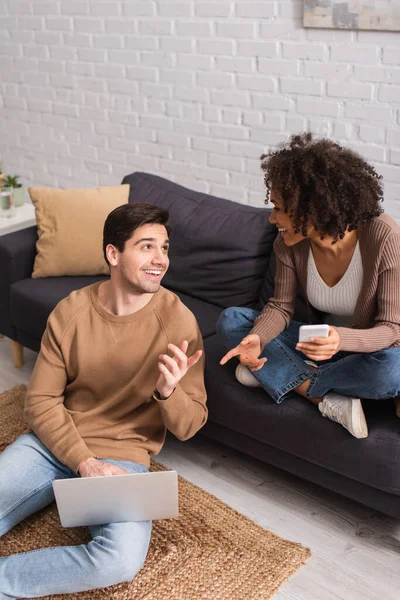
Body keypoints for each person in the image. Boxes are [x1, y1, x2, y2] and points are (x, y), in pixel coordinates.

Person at [0, 202, 207, 599]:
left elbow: (190, 423)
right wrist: (84, 461)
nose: (160, 259)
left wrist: (169, 392)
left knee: (119, 561)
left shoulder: (179, 321)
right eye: (147, 247)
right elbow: (40, 401)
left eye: (164, 248)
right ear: (114, 254)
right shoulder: (71, 311)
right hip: (50, 445)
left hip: (123, 458)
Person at [218, 132, 400, 439]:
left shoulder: (383, 237)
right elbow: (279, 307)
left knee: (393, 370)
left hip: (364, 350)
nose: (271, 218)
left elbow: (393, 329)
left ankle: (277, 374)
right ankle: (320, 396)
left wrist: (340, 339)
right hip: (313, 347)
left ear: (312, 208)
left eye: (278, 208)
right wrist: (259, 339)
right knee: (233, 321)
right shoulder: (288, 243)